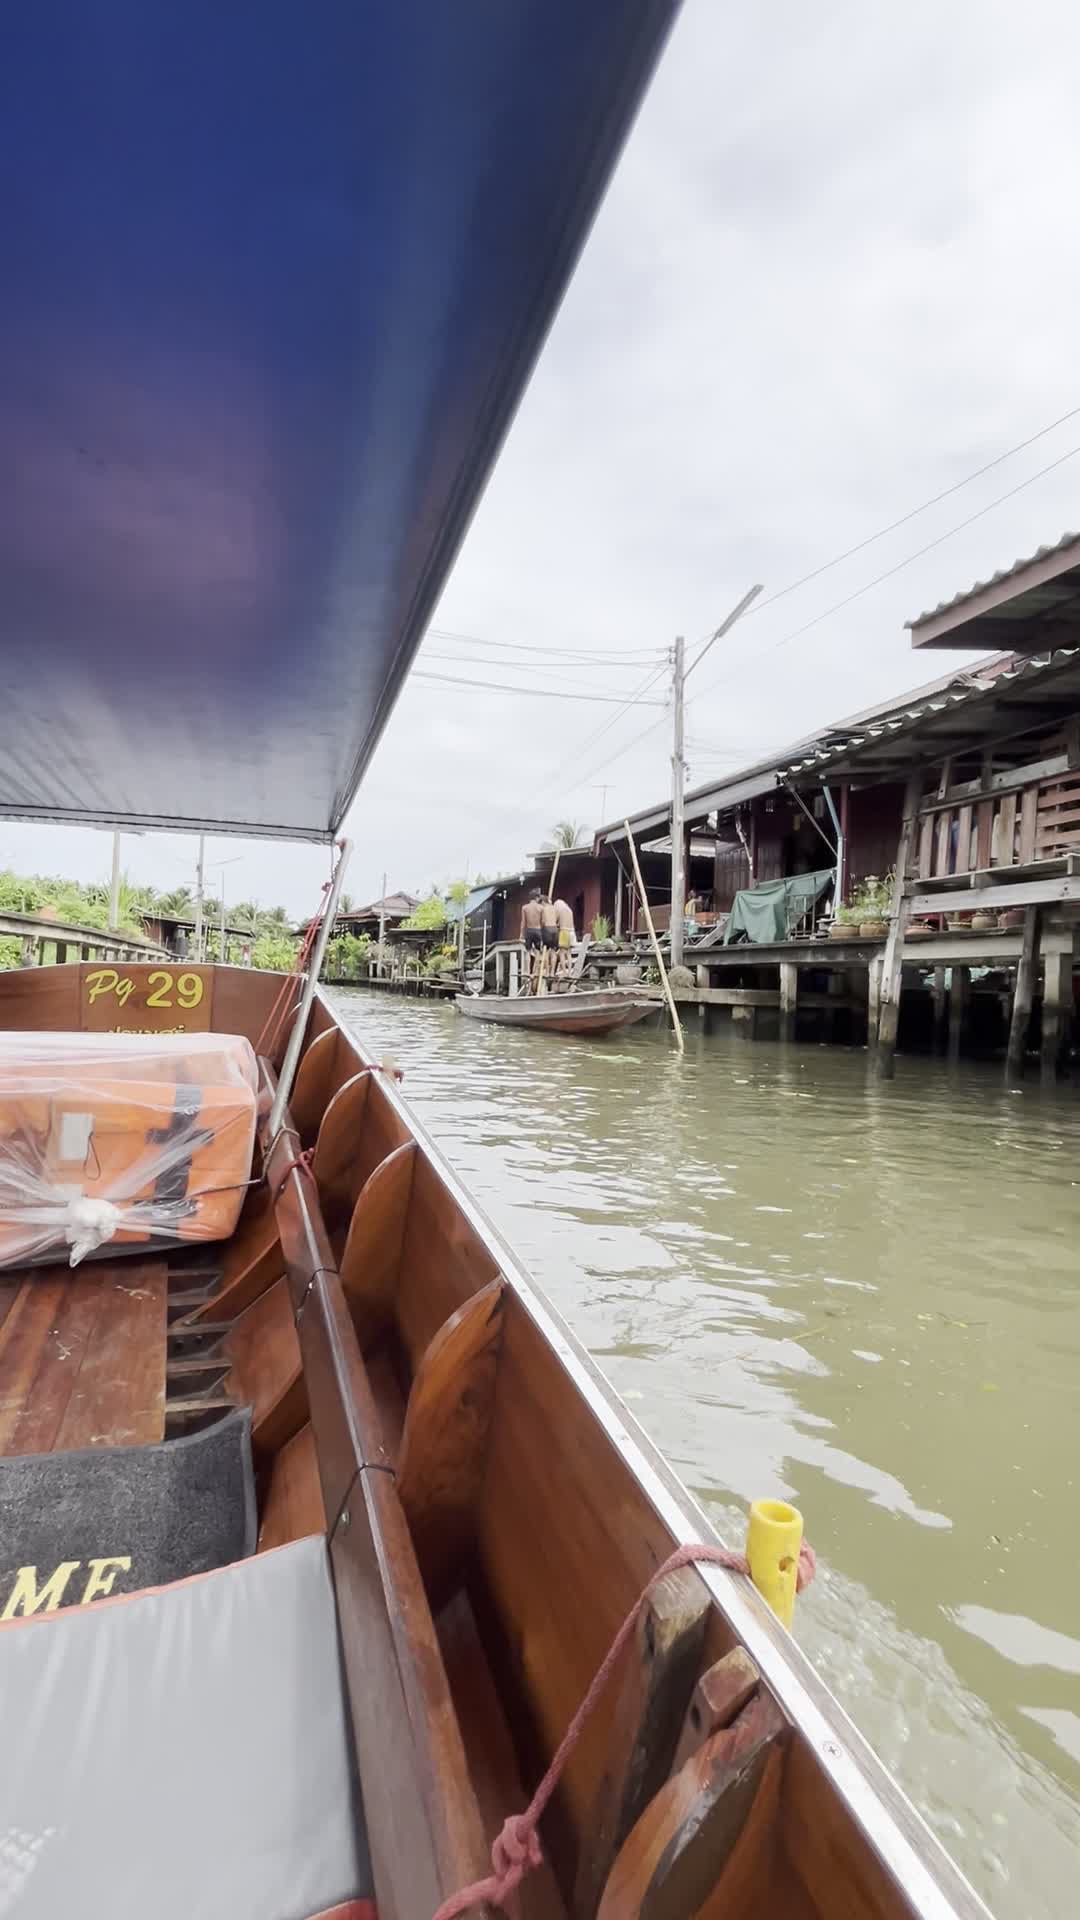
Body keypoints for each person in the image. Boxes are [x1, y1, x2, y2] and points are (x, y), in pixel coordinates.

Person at [519, 888, 543, 984]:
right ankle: (535, 971)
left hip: (528, 930)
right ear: (536, 898)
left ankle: (528, 971)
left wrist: (521, 934)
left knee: (528, 952)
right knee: (538, 952)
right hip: (538, 930)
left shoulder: (525, 907)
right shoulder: (541, 908)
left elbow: (523, 922)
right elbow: (542, 921)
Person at [553, 897, 576, 978]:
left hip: (564, 931)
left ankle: (564, 972)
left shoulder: (559, 909)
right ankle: (569, 972)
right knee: (569, 953)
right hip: (572, 931)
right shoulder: (569, 910)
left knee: (562, 953)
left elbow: (555, 921)